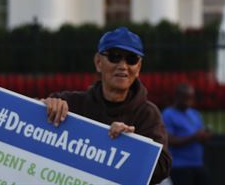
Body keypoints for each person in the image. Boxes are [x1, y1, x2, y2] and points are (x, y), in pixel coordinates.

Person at [43, 27, 171, 184]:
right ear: (98, 62)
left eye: (131, 59)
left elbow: (162, 167)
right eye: (114, 57)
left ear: (138, 68)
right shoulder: (71, 103)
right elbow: (27, 120)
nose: (123, 66)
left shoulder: (148, 113)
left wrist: (130, 144)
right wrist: (47, 105)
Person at [162, 83, 211, 185]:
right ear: (178, 97)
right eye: (186, 97)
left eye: (191, 97)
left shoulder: (195, 113)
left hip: (197, 163)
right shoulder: (168, 114)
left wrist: (205, 136)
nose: (189, 101)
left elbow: (200, 135)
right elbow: (169, 140)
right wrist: (193, 137)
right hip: (179, 166)